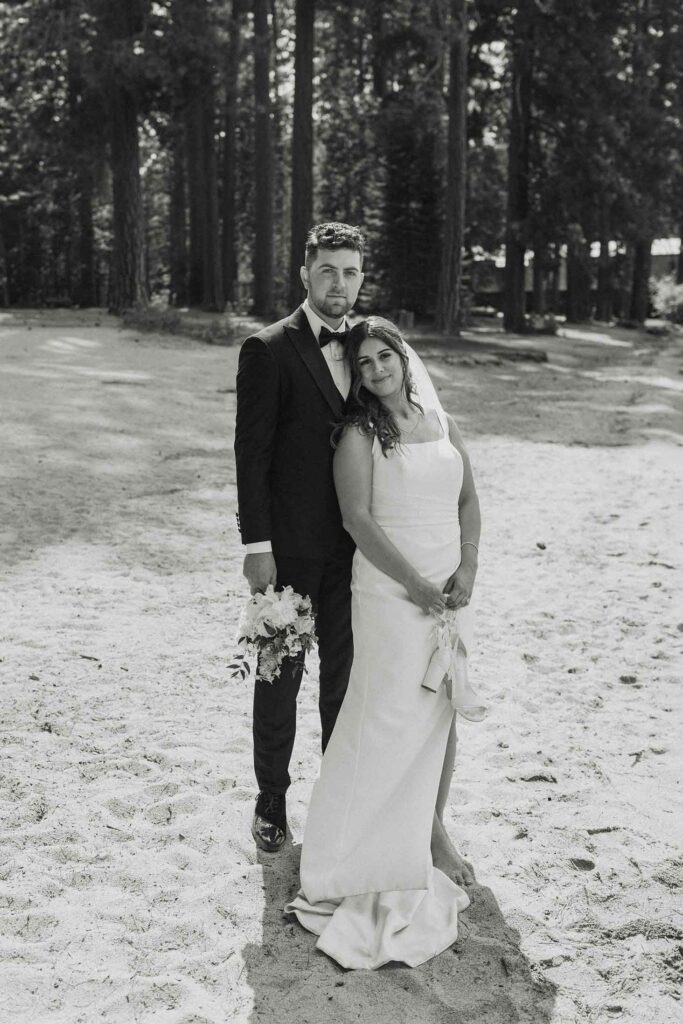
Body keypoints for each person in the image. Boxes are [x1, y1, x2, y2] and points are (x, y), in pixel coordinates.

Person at [285, 316, 482, 970]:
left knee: (440, 712)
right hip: (392, 592)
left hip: (449, 591)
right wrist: (416, 586)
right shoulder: (357, 435)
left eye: (382, 357)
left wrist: (468, 568)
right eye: (362, 364)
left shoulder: (438, 418)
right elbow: (357, 520)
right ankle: (377, 847)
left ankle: (431, 831)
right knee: (391, 716)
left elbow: (469, 499)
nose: (375, 371)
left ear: (402, 355)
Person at [234, 222, 365, 853]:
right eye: (328, 271)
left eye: (350, 272)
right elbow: (251, 453)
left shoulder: (374, 348)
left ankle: (337, 802)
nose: (339, 284)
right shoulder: (268, 348)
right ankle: (271, 799)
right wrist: (255, 545)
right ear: (305, 274)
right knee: (279, 678)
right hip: (287, 549)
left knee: (343, 681)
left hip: (357, 552)